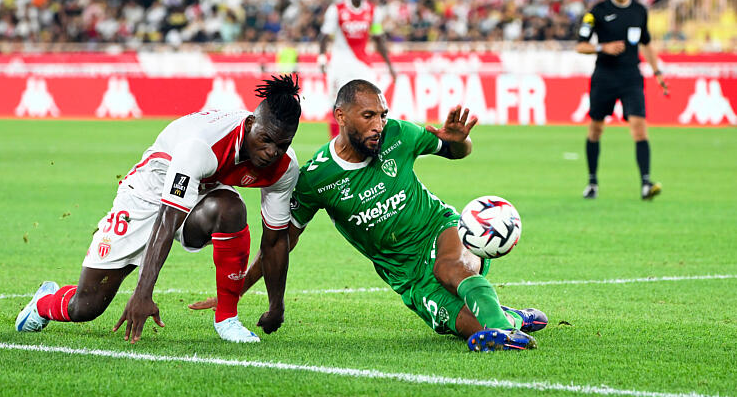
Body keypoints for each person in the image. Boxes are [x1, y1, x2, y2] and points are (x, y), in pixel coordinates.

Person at [192, 79, 547, 352]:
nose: (379, 124)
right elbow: (280, 243)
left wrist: (458, 141)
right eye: (369, 116)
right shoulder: (316, 177)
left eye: (382, 115)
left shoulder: (399, 135)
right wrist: (237, 292)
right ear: (341, 116)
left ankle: (503, 329)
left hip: (440, 230)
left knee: (449, 268)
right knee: (467, 325)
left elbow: (456, 151)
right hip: (406, 276)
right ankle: (509, 319)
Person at [16, 75, 302, 344]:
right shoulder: (202, 145)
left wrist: (276, 305)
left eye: (282, 144)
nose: (271, 152)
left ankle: (227, 318)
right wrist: (143, 293)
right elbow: (166, 220)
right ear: (251, 123)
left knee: (230, 208)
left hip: (202, 189)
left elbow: (275, 239)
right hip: (147, 193)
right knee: (86, 306)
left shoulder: (284, 167)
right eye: (265, 140)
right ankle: (45, 301)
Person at [576, 0, 669, 201]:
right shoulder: (596, 11)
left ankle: (646, 183)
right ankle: (592, 182)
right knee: (596, 128)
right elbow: (581, 45)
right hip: (604, 77)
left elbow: (646, 43)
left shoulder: (640, 11)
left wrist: (657, 71)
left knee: (639, 127)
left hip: (631, 77)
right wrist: (602, 47)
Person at [319, 0, 396, 138]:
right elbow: (324, 36)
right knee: (335, 103)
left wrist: (389, 65)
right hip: (339, 64)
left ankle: (372, 139)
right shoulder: (337, 9)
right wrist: (322, 58)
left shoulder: (372, 11)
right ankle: (335, 143)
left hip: (362, 65)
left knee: (373, 101)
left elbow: (378, 38)